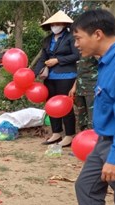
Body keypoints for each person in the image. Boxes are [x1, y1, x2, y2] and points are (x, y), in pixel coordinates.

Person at [65, 9, 115, 205]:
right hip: (105, 140)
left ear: (97, 34)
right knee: (86, 186)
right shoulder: (106, 60)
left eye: (78, 38)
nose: (76, 44)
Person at [35, 11, 81, 147]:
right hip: (50, 77)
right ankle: (56, 133)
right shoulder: (47, 40)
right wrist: (34, 73)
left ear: (64, 24)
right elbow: (43, 58)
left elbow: (77, 55)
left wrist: (58, 60)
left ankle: (69, 135)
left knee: (65, 106)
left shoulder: (70, 38)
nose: (56, 26)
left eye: (58, 23)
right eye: (53, 24)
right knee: (51, 105)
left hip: (66, 76)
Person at [69, 56, 98, 130]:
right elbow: (80, 72)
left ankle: (92, 137)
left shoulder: (97, 50)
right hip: (80, 89)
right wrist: (74, 87)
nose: (76, 44)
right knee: (82, 118)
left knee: (92, 117)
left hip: (92, 88)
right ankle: (83, 136)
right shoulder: (83, 51)